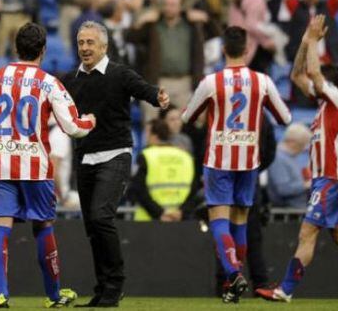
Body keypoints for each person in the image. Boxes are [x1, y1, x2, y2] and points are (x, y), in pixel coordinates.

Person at [0, 22, 95, 308]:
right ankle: (53, 295)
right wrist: (91, 121)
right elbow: (73, 128)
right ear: (43, 50)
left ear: (15, 47)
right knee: (43, 225)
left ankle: (0, 294)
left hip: (0, 164)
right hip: (35, 167)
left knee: (1, 224)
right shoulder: (49, 82)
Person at [256, 15, 338, 304]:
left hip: (330, 177)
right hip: (330, 178)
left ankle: (284, 290)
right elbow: (299, 75)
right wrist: (303, 42)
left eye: (320, 79)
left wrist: (312, 40)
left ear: (329, 83)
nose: (313, 81)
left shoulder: (337, 99)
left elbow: (311, 72)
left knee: (308, 232)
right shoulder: (326, 105)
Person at [62, 21, 169, 307]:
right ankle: (103, 288)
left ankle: (115, 284)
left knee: (100, 216)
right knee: (91, 226)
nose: (84, 47)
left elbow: (143, 89)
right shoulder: (71, 80)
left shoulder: (120, 73)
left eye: (90, 43)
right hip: (85, 157)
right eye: (81, 42)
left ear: (104, 46)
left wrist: (157, 96)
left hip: (115, 154)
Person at [182, 26, 291, 303]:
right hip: (248, 161)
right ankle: (234, 286)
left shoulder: (211, 82)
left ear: (222, 51)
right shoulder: (263, 81)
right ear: (246, 50)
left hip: (219, 158)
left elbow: (187, 117)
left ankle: (233, 274)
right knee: (240, 221)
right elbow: (285, 118)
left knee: (219, 219)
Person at [126, 0, 206, 116]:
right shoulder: (153, 24)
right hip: (158, 81)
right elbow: (130, 37)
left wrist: (206, 18)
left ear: (181, 6)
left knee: (188, 121)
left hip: (184, 82)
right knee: (150, 117)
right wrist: (141, 21)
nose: (168, 8)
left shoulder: (190, 24)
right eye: (166, 4)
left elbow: (217, 32)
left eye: (173, 5)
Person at [129, 118, 195, 222]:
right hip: (180, 221)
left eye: (147, 133)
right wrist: (182, 212)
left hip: (149, 221)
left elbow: (138, 189)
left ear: (154, 136)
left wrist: (159, 213)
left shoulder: (147, 156)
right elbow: (194, 190)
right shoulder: (186, 156)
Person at [266, 123, 311, 208]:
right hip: (292, 208)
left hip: (301, 205)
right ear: (293, 142)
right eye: (302, 145)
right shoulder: (278, 158)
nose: (303, 149)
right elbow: (283, 189)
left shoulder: (290, 158)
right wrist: (307, 184)